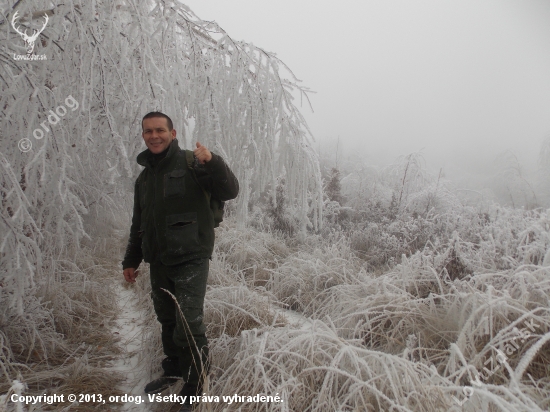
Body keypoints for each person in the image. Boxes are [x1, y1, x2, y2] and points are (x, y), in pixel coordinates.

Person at [122, 112, 239, 411]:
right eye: (148, 131)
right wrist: (131, 259)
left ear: (172, 134)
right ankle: (174, 367)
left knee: (188, 320)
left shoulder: (192, 163)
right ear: (143, 135)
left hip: (191, 256)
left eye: (160, 130)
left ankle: (197, 382)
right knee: (167, 318)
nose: (154, 135)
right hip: (158, 259)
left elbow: (230, 191)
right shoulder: (144, 179)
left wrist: (213, 161)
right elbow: (139, 222)